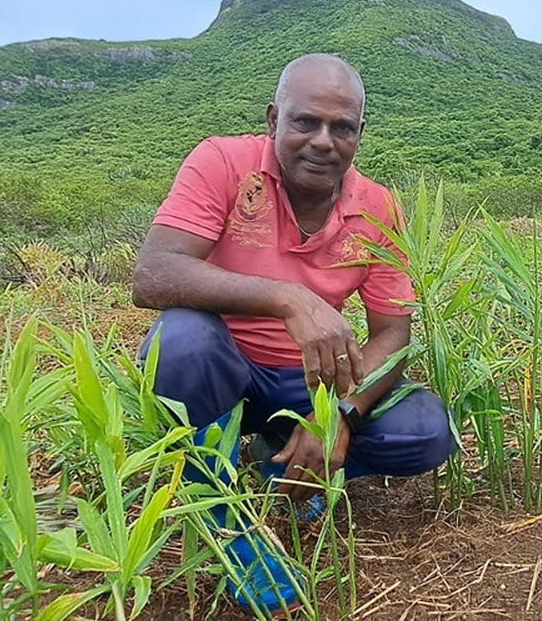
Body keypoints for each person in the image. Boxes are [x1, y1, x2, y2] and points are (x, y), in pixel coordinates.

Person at [132, 53, 455, 614]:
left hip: (309, 381)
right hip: (222, 369)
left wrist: (339, 415)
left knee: (425, 429)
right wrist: (288, 297)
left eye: (342, 127)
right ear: (273, 119)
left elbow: (393, 334)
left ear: (360, 134)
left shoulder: (377, 205)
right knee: (180, 339)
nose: (323, 141)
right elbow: (155, 273)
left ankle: (283, 459)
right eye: (306, 122)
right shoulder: (222, 163)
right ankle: (226, 516)